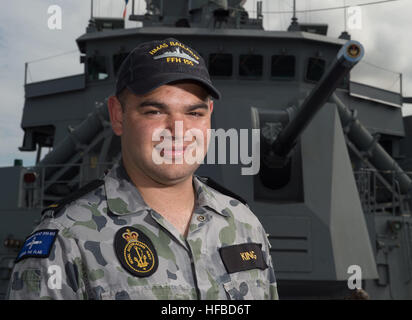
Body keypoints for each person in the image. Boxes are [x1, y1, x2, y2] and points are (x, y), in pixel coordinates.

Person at [7, 38, 279, 300]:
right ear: (118, 116)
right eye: (155, 111)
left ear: (209, 114)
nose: (178, 129)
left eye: (194, 113)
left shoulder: (245, 225)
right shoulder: (66, 240)